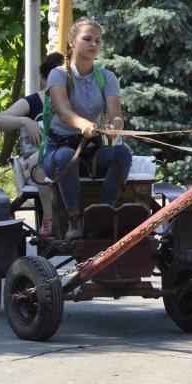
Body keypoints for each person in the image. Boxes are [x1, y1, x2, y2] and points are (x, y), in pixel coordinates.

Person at [41, 18, 133, 240]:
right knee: (66, 156)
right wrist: (83, 124)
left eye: (98, 40)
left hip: (92, 151)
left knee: (122, 153)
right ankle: (74, 221)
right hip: (57, 150)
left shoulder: (107, 77)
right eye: (87, 39)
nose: (94, 44)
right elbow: (63, 111)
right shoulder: (58, 74)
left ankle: (101, 214)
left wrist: (114, 126)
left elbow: (116, 116)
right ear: (72, 42)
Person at [0, 52, 64, 236]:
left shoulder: (72, 101)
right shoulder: (33, 102)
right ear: (43, 79)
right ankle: (48, 218)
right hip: (35, 163)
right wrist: (25, 121)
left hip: (65, 158)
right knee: (43, 162)